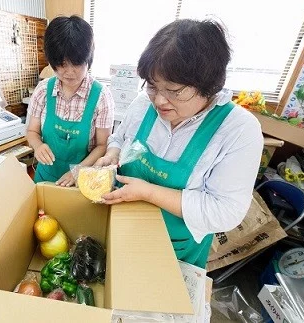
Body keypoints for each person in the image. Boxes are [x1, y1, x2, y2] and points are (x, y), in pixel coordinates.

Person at [95, 19, 264, 269]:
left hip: (175, 250)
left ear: (210, 86)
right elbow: (120, 138)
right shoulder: (143, 104)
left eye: (174, 90)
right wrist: (112, 153)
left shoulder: (238, 130)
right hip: (121, 228)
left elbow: (225, 211)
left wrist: (148, 192)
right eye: (153, 86)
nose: (160, 100)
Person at [26, 16, 115, 186]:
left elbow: (102, 145)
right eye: (61, 64)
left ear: (88, 59)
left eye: (76, 64)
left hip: (82, 180)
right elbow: (32, 132)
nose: (69, 72)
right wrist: (37, 145)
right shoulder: (43, 90)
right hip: (45, 178)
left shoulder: (101, 97)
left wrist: (78, 170)